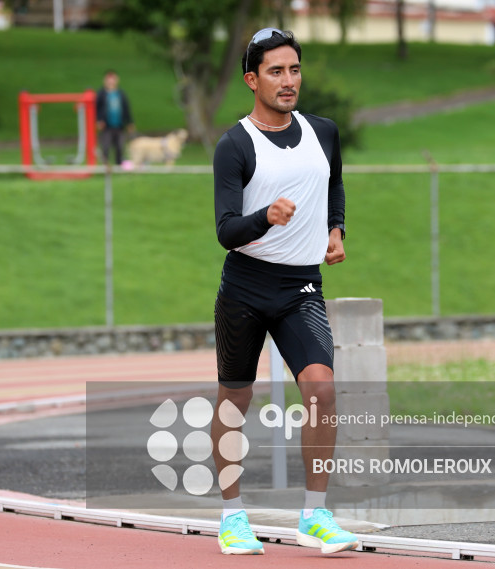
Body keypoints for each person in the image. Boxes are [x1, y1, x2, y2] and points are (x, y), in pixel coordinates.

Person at [211, 28, 356, 556]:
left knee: (321, 391)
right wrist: (265, 218)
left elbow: (333, 181)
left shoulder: (323, 131)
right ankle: (232, 517)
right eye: (276, 71)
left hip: (301, 287)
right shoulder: (235, 145)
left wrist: (336, 229)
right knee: (236, 399)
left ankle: (315, 515)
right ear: (252, 79)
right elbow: (226, 230)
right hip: (245, 288)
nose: (288, 80)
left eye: (294, 69)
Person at [95, 69, 134, 165]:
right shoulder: (101, 94)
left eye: (113, 80)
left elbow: (126, 109)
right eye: (109, 80)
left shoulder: (121, 94)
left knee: (120, 146)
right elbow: (96, 109)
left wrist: (129, 122)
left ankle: (119, 164)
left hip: (119, 125)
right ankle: (105, 165)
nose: (111, 82)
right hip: (106, 126)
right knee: (106, 146)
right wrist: (99, 120)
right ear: (105, 81)